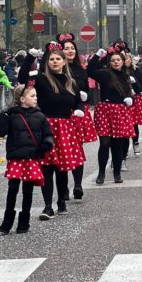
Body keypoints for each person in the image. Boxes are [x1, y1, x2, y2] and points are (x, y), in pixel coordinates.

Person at [17, 44, 85, 220]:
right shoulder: (40, 79)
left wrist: (79, 109)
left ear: (64, 62)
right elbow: (22, 78)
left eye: (58, 59)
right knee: (47, 167)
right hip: (46, 125)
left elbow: (78, 101)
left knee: (62, 169)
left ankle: (61, 200)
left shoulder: (71, 82)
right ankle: (47, 206)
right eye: (51, 59)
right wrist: (30, 58)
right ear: (47, 62)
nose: (55, 62)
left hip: (65, 127)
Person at [0, 85, 53, 234]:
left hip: (32, 157)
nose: (36, 98)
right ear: (22, 99)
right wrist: (4, 114)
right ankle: (7, 222)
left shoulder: (40, 116)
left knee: (28, 190)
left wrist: (46, 145)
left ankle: (24, 222)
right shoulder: (12, 115)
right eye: (32, 96)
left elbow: (47, 133)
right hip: (16, 157)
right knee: (12, 189)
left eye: (36, 95)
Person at [87, 45, 136, 185]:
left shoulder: (126, 76)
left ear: (122, 61)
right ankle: (101, 172)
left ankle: (117, 172)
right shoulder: (104, 74)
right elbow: (89, 71)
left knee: (117, 144)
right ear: (109, 62)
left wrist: (130, 99)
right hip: (104, 110)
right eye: (113, 60)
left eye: (118, 60)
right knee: (104, 142)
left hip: (120, 111)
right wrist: (97, 56)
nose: (116, 62)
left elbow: (133, 91)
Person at [59, 33, 96, 200]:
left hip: (78, 112)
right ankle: (63, 188)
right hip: (62, 112)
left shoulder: (80, 69)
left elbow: (87, 92)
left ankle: (78, 185)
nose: (70, 51)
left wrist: (84, 96)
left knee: (77, 149)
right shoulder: (57, 67)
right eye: (66, 48)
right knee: (62, 150)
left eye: (72, 48)